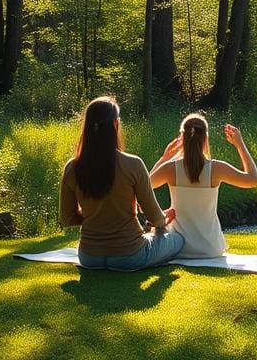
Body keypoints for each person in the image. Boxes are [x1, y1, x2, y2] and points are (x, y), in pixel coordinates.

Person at [59, 96, 185, 270]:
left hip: (89, 257)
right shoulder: (133, 164)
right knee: (178, 240)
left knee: (155, 235)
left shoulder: (72, 167)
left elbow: (67, 218)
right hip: (130, 255)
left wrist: (96, 217)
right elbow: (155, 218)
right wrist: (164, 219)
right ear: (115, 125)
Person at [149, 113, 257, 258]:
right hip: (210, 248)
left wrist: (164, 158)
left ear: (182, 139)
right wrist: (240, 144)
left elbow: (144, 185)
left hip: (179, 248)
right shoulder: (217, 168)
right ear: (206, 139)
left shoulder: (170, 168)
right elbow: (253, 179)